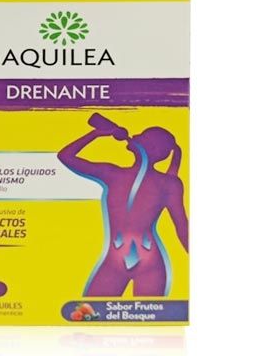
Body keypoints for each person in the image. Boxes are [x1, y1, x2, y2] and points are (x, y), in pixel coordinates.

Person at [58, 114, 188, 297]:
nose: (135, 135)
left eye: (142, 135)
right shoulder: (112, 174)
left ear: (152, 149)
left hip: (149, 266)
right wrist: (97, 133)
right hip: (116, 262)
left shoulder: (168, 184)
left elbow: (182, 226)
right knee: (89, 311)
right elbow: (65, 156)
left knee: (147, 314)